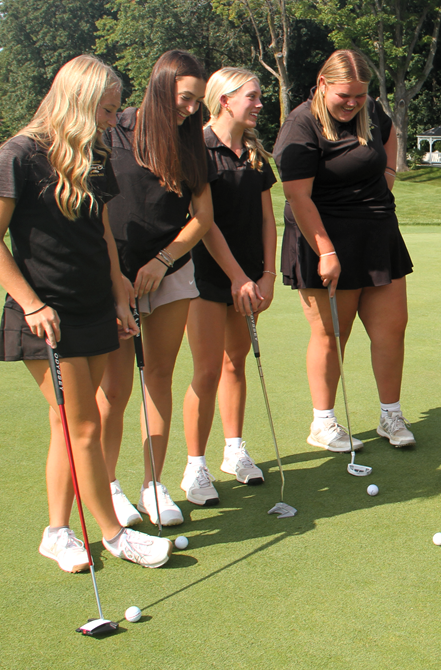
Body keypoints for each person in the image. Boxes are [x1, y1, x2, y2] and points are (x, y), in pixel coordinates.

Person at [0, 55, 172, 571]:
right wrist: (32, 302)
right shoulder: (17, 155)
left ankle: (57, 531)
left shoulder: (96, 155)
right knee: (81, 423)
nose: (113, 120)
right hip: (44, 314)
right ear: (79, 101)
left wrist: (119, 293)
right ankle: (113, 534)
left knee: (66, 425)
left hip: (93, 308)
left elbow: (102, 234)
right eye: (106, 110)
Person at [274, 50, 415, 453]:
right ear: (322, 85)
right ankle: (323, 422)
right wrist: (325, 251)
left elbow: (389, 135)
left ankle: (391, 415)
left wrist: (387, 174)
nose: (352, 103)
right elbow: (298, 197)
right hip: (323, 235)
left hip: (376, 232)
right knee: (332, 333)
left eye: (359, 95)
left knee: (392, 327)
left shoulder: (369, 111)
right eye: (344, 96)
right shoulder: (301, 125)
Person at [97, 50, 213, 523]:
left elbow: (202, 218)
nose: (191, 109)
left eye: (197, 102)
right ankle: (108, 489)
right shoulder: (113, 130)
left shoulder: (191, 142)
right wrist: (118, 276)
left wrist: (163, 261)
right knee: (115, 389)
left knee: (159, 376)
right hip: (113, 272)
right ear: (161, 86)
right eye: (185, 98)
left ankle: (152, 486)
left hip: (168, 269)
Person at [181, 67, 278, 505]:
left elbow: (267, 221)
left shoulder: (255, 153)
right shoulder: (197, 148)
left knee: (234, 363)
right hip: (203, 277)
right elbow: (205, 223)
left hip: (247, 279)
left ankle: (234, 450)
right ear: (225, 100)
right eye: (253, 97)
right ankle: (195, 467)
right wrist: (237, 276)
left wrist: (266, 276)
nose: (260, 104)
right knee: (205, 371)